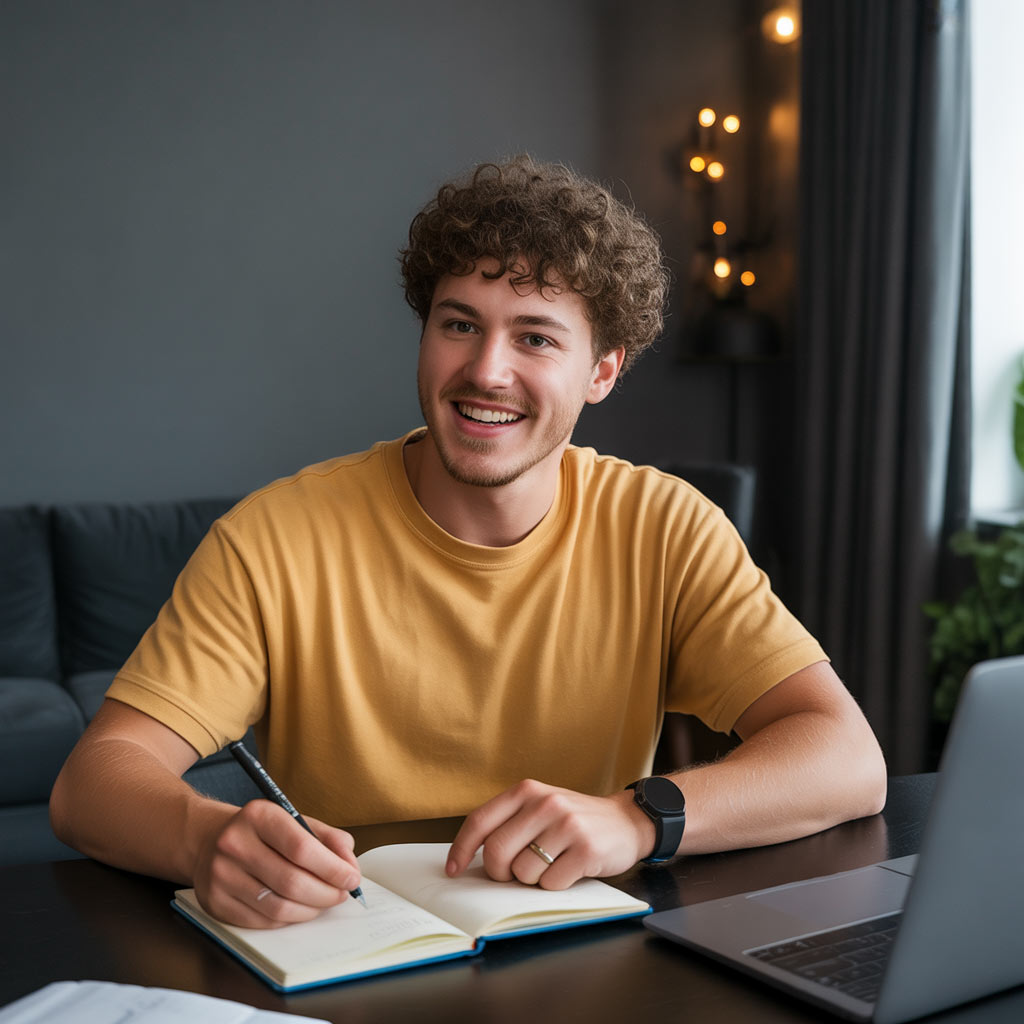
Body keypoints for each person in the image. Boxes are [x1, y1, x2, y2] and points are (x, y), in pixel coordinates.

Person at [50, 156, 886, 929]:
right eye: (459, 324)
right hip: (347, 952)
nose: (486, 370)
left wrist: (638, 819)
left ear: (602, 371)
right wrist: (204, 836)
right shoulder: (274, 538)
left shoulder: (665, 527)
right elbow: (95, 780)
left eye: (535, 336)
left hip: (580, 951)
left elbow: (847, 757)